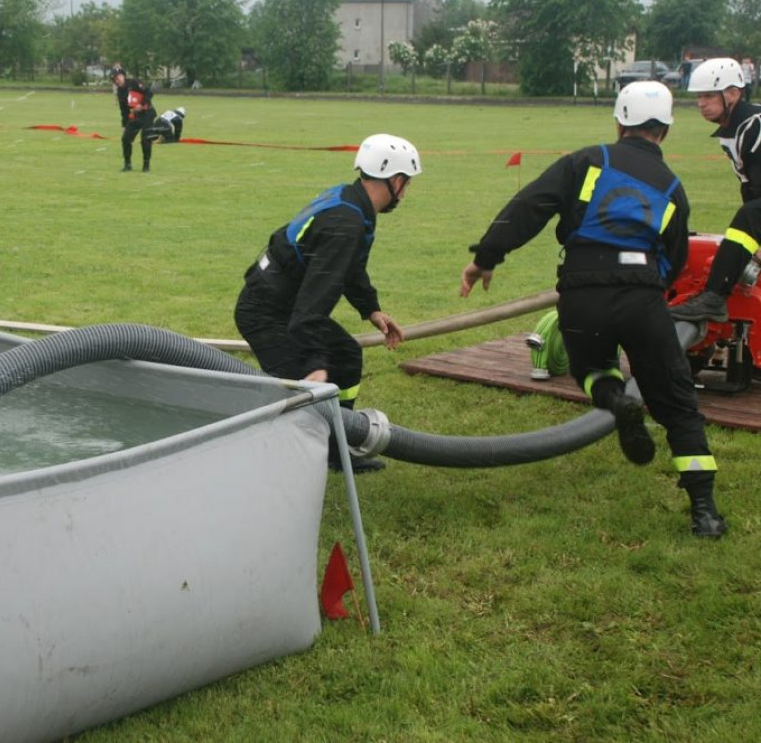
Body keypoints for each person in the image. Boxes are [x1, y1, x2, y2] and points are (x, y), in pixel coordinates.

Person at [459, 81, 725, 538]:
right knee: (679, 403)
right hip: (643, 294)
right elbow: (676, 258)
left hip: (582, 292)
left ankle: (617, 401)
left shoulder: (588, 161)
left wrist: (486, 257)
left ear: (620, 122)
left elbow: (530, 206)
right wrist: (647, 290)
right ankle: (705, 511)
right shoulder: (673, 187)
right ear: (664, 130)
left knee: (591, 368)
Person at [234, 133, 417, 473]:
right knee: (301, 388)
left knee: (347, 355)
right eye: (407, 184)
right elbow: (313, 304)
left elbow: (349, 268)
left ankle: (337, 449)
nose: (406, 193)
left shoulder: (352, 202)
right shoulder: (345, 224)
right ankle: (272, 462)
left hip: (283, 305)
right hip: (265, 312)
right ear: (395, 180)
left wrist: (371, 309)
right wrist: (315, 361)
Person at [668, 58, 761, 323]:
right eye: (699, 97)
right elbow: (752, 189)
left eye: (709, 95)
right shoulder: (735, 129)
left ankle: (713, 298)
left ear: (733, 93)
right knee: (749, 217)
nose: (701, 103)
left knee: (748, 218)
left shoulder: (754, 126)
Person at [109, 64, 156, 172]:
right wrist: (124, 124)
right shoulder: (120, 91)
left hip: (147, 114)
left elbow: (149, 93)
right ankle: (127, 164)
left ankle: (146, 165)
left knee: (145, 140)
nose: (117, 81)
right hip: (135, 116)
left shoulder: (135, 82)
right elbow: (123, 109)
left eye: (118, 77)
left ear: (123, 75)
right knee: (125, 139)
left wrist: (142, 104)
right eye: (114, 79)